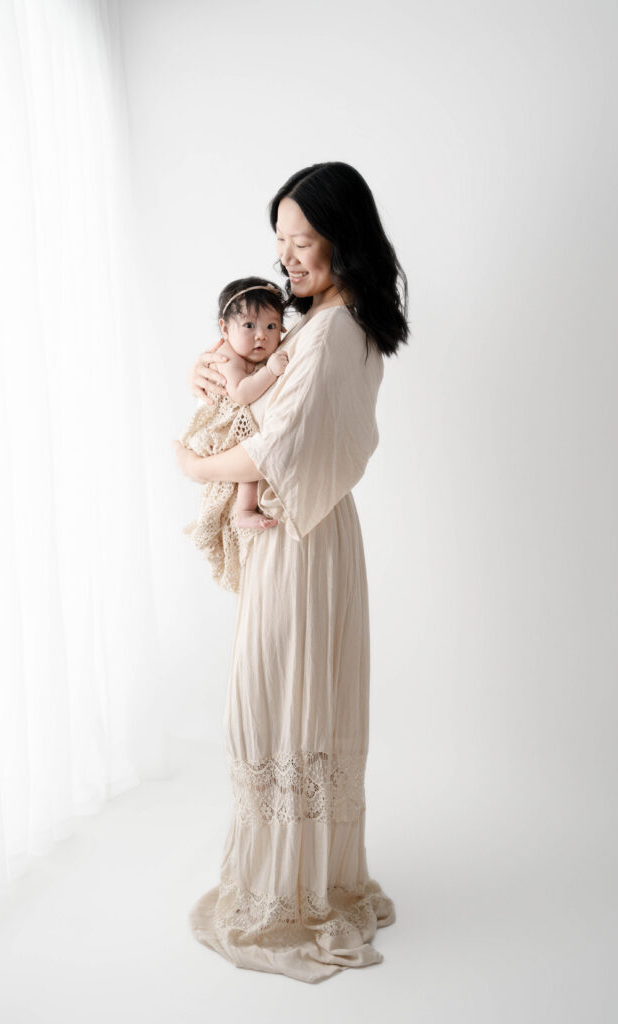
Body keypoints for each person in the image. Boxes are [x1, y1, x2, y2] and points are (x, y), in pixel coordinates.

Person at [172, 161, 410, 984]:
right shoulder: (324, 324)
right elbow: (257, 395)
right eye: (279, 239)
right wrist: (217, 376)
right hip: (307, 528)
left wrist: (191, 464)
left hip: (296, 534)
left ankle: (290, 893)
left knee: (279, 704)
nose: (286, 256)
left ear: (342, 238)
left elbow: (275, 447)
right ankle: (304, 878)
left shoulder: (332, 332)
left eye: (302, 240)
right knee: (293, 704)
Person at [179, 278, 289, 593]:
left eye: (271, 326)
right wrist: (271, 371)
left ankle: (242, 511)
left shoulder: (253, 351)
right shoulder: (226, 357)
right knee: (250, 452)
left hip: (231, 429)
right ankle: (243, 511)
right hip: (215, 432)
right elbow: (241, 393)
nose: (261, 335)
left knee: (252, 449)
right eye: (250, 325)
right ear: (224, 329)